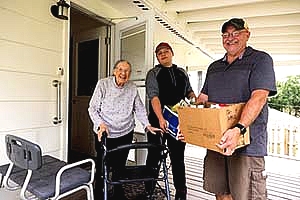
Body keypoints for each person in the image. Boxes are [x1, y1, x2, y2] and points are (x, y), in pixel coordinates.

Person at [179, 18, 277, 200]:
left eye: (236, 33)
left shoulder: (260, 60)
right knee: (221, 193)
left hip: (247, 145)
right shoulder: (214, 67)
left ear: (247, 35)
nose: (230, 38)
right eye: (226, 34)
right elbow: (203, 100)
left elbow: (259, 97)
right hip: (216, 143)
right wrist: (187, 126)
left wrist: (238, 129)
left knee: (246, 195)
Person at [88, 59, 160, 200]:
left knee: (119, 166)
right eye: (120, 69)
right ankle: (99, 191)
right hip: (105, 132)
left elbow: (139, 108)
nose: (123, 73)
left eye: (127, 70)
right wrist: (100, 124)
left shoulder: (132, 87)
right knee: (102, 165)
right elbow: (93, 108)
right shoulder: (103, 84)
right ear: (114, 71)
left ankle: (118, 190)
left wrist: (146, 124)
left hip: (125, 131)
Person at [145, 42, 196, 200]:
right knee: (154, 154)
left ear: (172, 53)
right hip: (157, 121)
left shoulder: (181, 72)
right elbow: (153, 97)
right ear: (157, 57)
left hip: (178, 123)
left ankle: (181, 193)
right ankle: (149, 189)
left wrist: (194, 101)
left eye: (166, 51)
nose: (163, 54)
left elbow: (189, 92)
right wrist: (160, 118)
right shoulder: (154, 73)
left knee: (178, 158)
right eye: (159, 53)